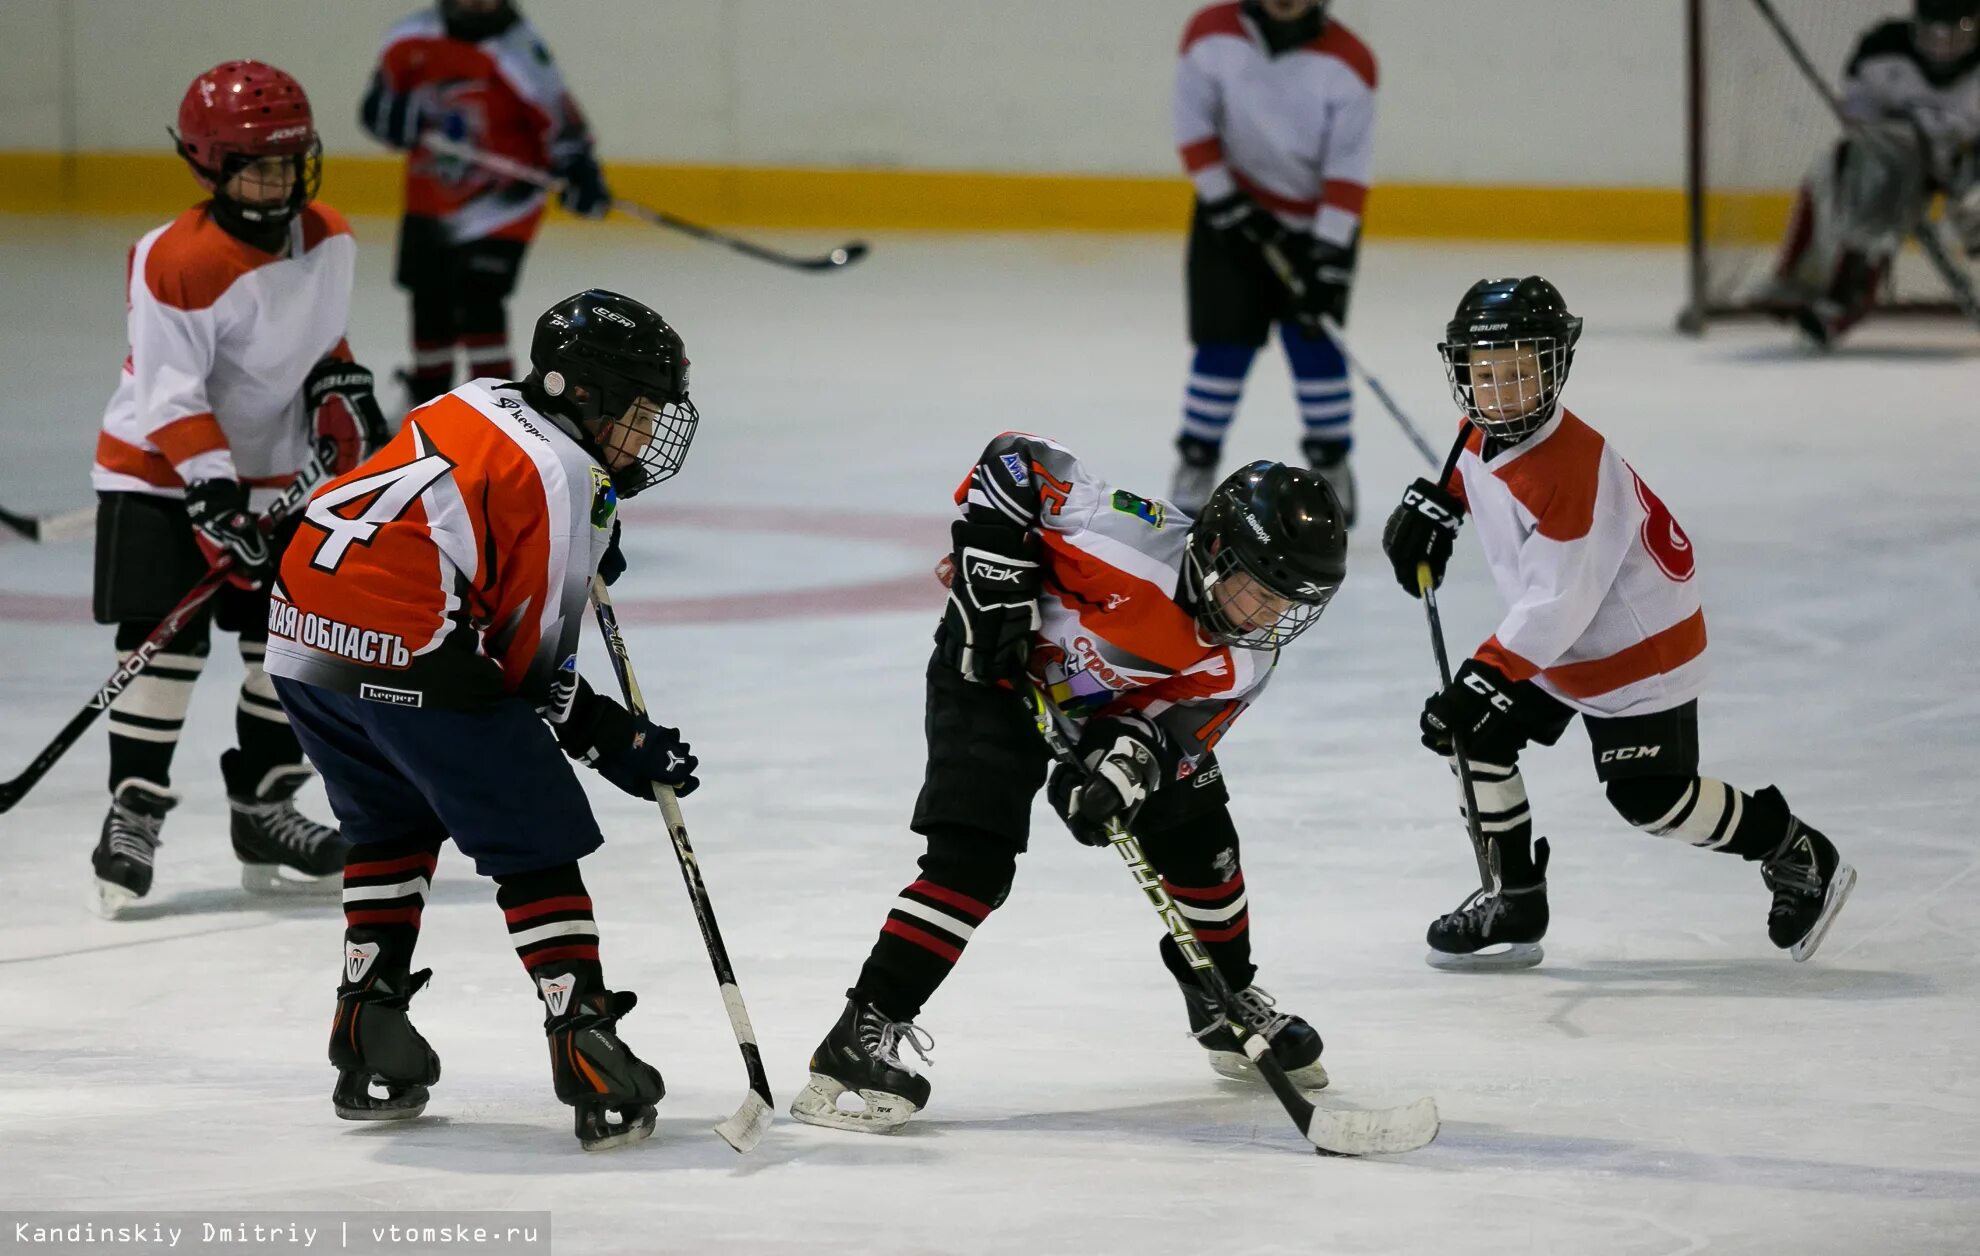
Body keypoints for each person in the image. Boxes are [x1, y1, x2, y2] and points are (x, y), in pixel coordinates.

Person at [788, 435, 1347, 1133]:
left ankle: (1224, 1001)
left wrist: (1121, 771)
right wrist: (995, 565)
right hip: (989, 670)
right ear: (1213, 550)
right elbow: (1014, 459)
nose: (1264, 619)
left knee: (1202, 838)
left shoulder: (1246, 663)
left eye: (1283, 604)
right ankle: (859, 1033)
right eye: (1254, 591)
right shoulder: (1125, 537)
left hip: (1097, 712)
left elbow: (1171, 737)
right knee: (974, 862)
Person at [263, 290, 703, 1152]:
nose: (649, 436)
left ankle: (366, 1026)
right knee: (533, 830)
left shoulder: (477, 399)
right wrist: (610, 735)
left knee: (393, 819)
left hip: (300, 636)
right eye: (640, 412)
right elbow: (526, 671)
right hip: (403, 644)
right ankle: (584, 1043)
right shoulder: (562, 475)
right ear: (583, 393)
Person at [1381, 276, 1857, 971]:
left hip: (1637, 646)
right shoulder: (1479, 430)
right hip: (1560, 643)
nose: (1501, 392)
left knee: (1651, 799)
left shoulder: (1571, 469)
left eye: (1520, 372)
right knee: (1474, 737)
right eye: (1484, 374)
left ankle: (1794, 848)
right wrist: (1438, 504)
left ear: (1555, 368)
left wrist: (1482, 677)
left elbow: (1557, 604)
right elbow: (1470, 462)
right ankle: (1514, 899)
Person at [87, 60, 388, 918]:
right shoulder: (171, 260)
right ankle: (133, 807)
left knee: (297, 649)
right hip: (158, 475)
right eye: (255, 165)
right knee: (164, 644)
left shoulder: (330, 235)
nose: (277, 181)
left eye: (288, 163)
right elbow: (171, 391)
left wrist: (339, 383)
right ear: (208, 167)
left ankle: (265, 806)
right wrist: (215, 501)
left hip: (283, 481)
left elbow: (314, 345)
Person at [1169, 0, 1377, 522]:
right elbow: (1193, 129)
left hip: (1317, 227)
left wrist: (1329, 253)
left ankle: (1331, 463)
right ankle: (1196, 460)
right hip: (1228, 214)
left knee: (1314, 341)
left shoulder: (1350, 62)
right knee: (1223, 342)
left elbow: (1349, 165)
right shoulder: (1208, 34)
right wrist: (1226, 203)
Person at [359, 0, 610, 408]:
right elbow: (378, 106)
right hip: (431, 198)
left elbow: (561, 124)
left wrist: (579, 170)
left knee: (479, 299)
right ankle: (428, 394)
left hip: (504, 204)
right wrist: (391, 116)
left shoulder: (520, 50)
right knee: (428, 299)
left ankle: (495, 404)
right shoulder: (409, 36)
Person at [1764, 0, 1980, 345]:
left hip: (1967, 165)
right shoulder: (1881, 50)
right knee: (1838, 171)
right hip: (1902, 161)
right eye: (1932, 36)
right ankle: (1822, 290)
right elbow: (1863, 129)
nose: (1942, 49)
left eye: (1956, 36)